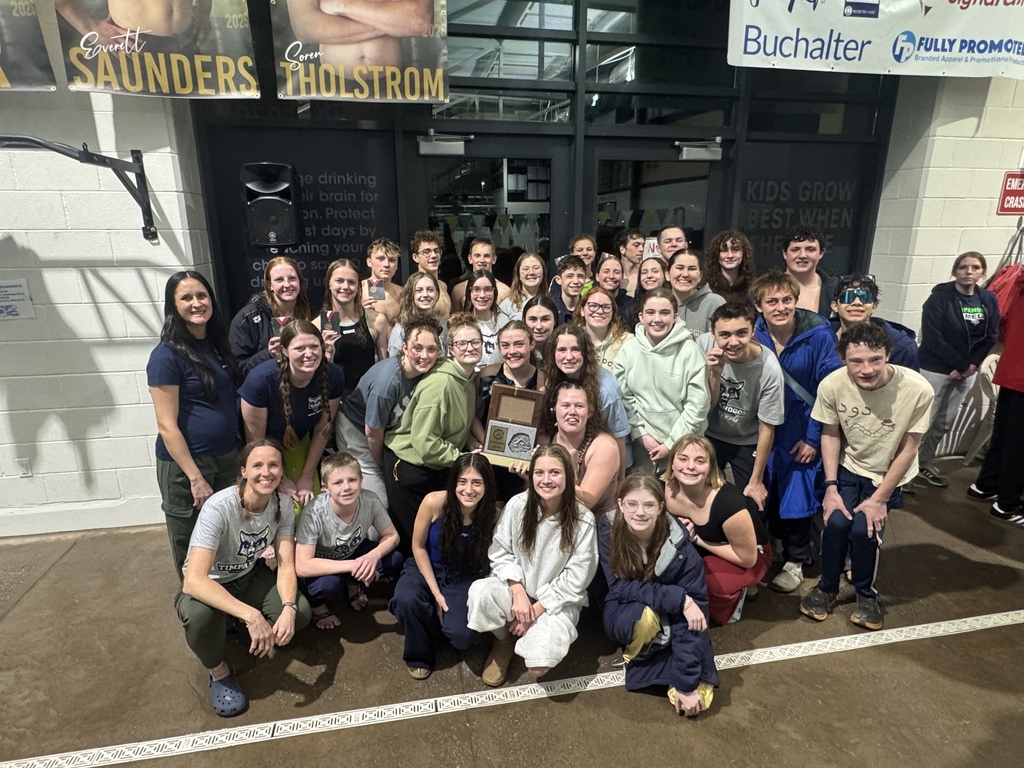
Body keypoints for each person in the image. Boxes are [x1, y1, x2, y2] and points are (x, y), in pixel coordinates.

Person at [801, 322, 933, 630]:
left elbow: (909, 449)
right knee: (835, 523)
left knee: (864, 531)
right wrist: (831, 487)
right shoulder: (832, 385)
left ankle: (865, 593)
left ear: (888, 354)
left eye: (875, 359)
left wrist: (880, 498)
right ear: (843, 359)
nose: (867, 368)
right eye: (856, 361)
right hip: (850, 466)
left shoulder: (917, 389)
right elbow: (830, 435)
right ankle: (827, 587)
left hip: (889, 472)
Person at [175, 440, 312, 718]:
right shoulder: (219, 507)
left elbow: (286, 564)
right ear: (244, 471)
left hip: (248, 574)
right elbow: (193, 581)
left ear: (282, 471)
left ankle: (235, 618)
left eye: (273, 465)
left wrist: (288, 607)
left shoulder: (283, 504)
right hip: (210, 582)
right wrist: (252, 616)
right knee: (200, 619)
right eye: (257, 465)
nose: (266, 472)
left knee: (300, 615)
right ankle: (218, 670)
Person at [466, 445, 598, 686]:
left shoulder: (583, 520)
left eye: (555, 473)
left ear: (568, 476)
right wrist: (517, 591)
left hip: (556, 602)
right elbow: (500, 551)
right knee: (480, 593)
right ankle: (504, 641)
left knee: (539, 665)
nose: (546, 480)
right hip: (517, 592)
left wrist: (533, 612)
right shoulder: (517, 505)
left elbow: (577, 577)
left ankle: (529, 635)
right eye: (539, 473)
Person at [752, 270, 842, 594]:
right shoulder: (754, 334)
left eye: (786, 299)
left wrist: (814, 436)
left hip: (802, 426)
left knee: (798, 496)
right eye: (771, 300)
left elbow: (829, 391)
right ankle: (765, 553)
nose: (780, 306)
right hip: (764, 427)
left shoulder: (819, 334)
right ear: (759, 305)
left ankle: (797, 561)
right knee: (765, 491)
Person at [599, 472, 717, 717]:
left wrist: (686, 684)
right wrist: (680, 599)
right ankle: (637, 647)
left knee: (696, 690)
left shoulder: (685, 552)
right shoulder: (608, 532)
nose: (639, 512)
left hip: (672, 612)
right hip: (627, 606)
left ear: (662, 507)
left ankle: (668, 666)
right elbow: (619, 587)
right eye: (632, 503)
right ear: (620, 504)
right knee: (644, 621)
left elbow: (695, 618)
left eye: (649, 505)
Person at [148, 271, 242, 578]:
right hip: (187, 466)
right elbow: (166, 425)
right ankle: (200, 613)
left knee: (227, 536)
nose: (196, 303)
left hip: (226, 459)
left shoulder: (216, 345)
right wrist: (194, 477)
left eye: (202, 296)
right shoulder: (166, 356)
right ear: (173, 306)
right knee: (192, 543)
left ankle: (229, 604)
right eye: (186, 297)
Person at [389, 454, 500, 679]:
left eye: (476, 482)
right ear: (453, 483)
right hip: (426, 566)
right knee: (406, 600)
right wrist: (437, 593)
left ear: (486, 485)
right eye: (462, 481)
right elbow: (418, 547)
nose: (469, 489)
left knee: (462, 637)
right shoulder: (434, 502)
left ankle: (432, 621)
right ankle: (418, 653)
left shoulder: (493, 515)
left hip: (464, 576)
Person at [383, 316, 482, 555]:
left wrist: (472, 442)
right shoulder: (441, 384)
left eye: (475, 342)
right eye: (462, 343)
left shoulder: (467, 378)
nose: (469, 348)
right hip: (409, 467)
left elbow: (461, 421)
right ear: (450, 349)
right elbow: (425, 443)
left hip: (437, 465)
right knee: (415, 542)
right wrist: (463, 459)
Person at [663, 436, 772, 626]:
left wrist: (697, 539)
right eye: (683, 458)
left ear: (711, 467)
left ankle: (732, 601)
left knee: (709, 583)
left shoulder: (729, 502)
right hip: (697, 545)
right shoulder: (663, 487)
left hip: (747, 553)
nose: (690, 466)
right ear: (672, 462)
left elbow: (748, 558)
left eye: (700, 461)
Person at [336, 318, 443, 506]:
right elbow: (372, 432)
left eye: (431, 349)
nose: (424, 355)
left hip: (386, 430)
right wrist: (382, 465)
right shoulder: (387, 384)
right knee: (381, 500)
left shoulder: (430, 370)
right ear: (404, 348)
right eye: (417, 348)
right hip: (358, 430)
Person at [916, 252, 999, 488]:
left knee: (944, 422)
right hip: (935, 368)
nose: (969, 272)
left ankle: (924, 463)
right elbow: (933, 337)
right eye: (963, 267)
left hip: (967, 371)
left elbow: (991, 335)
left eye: (975, 267)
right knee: (924, 421)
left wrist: (971, 365)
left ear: (982, 272)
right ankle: (905, 470)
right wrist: (959, 365)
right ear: (955, 271)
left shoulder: (988, 300)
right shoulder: (939, 299)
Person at [239, 320, 345, 505]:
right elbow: (256, 442)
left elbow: (322, 430)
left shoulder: (333, 375)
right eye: (300, 348)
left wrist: (306, 476)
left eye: (314, 346)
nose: (308, 354)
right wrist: (281, 480)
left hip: (299, 442)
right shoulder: (260, 380)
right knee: (276, 505)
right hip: (262, 449)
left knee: (306, 501)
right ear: (284, 351)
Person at [295, 453, 403, 629]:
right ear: (325, 488)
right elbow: (302, 566)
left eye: (352, 480)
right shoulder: (314, 512)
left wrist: (372, 557)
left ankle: (353, 583)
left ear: (361, 480)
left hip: (354, 552)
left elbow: (392, 536)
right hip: (324, 560)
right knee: (327, 586)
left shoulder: (370, 500)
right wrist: (353, 566)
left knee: (395, 558)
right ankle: (317, 607)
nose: (346, 487)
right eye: (337, 483)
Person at [613, 288, 710, 474]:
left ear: (675, 316)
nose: (657, 319)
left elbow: (697, 406)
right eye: (650, 312)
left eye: (664, 313)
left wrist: (671, 444)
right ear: (641, 316)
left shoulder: (690, 351)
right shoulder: (628, 350)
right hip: (642, 446)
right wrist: (640, 434)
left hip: (684, 448)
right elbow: (624, 398)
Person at [545, 324, 632, 474]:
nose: (569, 356)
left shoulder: (605, 389)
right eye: (562, 350)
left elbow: (619, 436)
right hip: (570, 458)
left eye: (575, 349)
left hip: (607, 459)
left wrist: (620, 481)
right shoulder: (552, 378)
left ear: (585, 353)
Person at [972, 270, 1024, 522]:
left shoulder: (1018, 286)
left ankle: (986, 484)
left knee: (1004, 435)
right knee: (1017, 444)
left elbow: (1003, 329)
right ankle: (1008, 503)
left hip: (1012, 370)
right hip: (1020, 376)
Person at [476, 321, 545, 501]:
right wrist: (486, 442)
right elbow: (470, 416)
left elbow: (546, 426)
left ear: (532, 344)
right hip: (489, 458)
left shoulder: (544, 381)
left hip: (524, 462)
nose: (512, 351)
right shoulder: (486, 375)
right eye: (505, 345)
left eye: (519, 344)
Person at [286, 0, 436, 70]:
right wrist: (395, 23)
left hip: (396, 84)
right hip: (330, 85)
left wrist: (341, 5)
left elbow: (420, 20)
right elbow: (304, 27)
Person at [547, 380, 620, 518]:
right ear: (554, 409)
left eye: (579, 406)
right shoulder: (545, 440)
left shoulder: (604, 446)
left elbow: (586, 503)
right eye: (565, 405)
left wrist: (548, 473)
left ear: (589, 411)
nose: (572, 412)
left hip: (597, 524)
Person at [229, 256, 313, 375]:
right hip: (266, 389)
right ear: (269, 285)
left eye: (292, 278)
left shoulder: (309, 312)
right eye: (279, 280)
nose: (287, 284)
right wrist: (268, 354)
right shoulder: (246, 318)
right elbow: (238, 369)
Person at [316, 258, 389, 394]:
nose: (345, 287)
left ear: (358, 287)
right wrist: (328, 354)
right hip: (335, 399)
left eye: (351, 282)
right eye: (339, 281)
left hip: (368, 399)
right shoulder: (316, 326)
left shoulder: (377, 320)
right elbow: (316, 376)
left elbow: (384, 367)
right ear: (329, 284)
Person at [829, 274, 919, 371]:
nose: (857, 303)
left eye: (865, 297)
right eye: (848, 297)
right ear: (835, 306)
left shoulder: (901, 348)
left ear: (874, 306)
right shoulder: (818, 340)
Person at [387, 271, 448, 358]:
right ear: (411, 294)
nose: (425, 295)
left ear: (437, 294)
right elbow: (395, 364)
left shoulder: (442, 323)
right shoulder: (400, 329)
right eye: (419, 290)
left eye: (430, 290)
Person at [667, 249, 726, 337]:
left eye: (692, 269)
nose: (685, 274)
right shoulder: (658, 302)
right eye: (679, 268)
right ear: (667, 274)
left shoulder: (715, 303)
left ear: (700, 276)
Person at [461, 269, 513, 370]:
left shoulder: (504, 321)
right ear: (469, 292)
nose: (482, 295)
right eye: (476, 289)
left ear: (494, 292)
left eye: (488, 289)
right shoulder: (462, 324)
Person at [781, 227, 837, 318]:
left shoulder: (837, 290)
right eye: (795, 249)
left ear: (821, 253)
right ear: (785, 254)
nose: (802, 255)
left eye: (810, 249)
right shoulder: (763, 290)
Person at [575, 285, 632, 373]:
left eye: (606, 307)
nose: (600, 311)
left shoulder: (627, 342)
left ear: (612, 312)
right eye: (593, 305)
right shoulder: (572, 340)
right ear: (582, 311)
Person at [450, 238, 512, 308]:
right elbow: (456, 317)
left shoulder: (505, 291)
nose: (482, 260)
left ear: (494, 259)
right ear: (470, 259)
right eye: (477, 256)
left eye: (486, 256)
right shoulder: (458, 290)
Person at [704, 230, 756, 305]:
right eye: (724, 250)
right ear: (716, 254)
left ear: (744, 253)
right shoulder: (706, 287)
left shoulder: (753, 288)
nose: (730, 255)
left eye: (735, 250)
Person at [410, 229, 453, 318]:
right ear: (415, 257)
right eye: (426, 252)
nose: (433, 256)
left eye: (436, 251)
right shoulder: (413, 288)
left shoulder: (443, 285)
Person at [363, 238, 403, 328]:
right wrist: (358, 315)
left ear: (397, 265)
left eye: (392, 260)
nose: (386, 264)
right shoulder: (357, 291)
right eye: (380, 259)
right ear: (369, 262)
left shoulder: (403, 293)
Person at [622, 255, 669, 330]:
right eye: (644, 272)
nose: (649, 275)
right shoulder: (630, 310)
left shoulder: (675, 303)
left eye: (655, 271)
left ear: (666, 275)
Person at [499, 252, 547, 321]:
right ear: (518, 275)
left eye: (536, 268)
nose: (531, 272)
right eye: (525, 269)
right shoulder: (507, 306)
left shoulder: (552, 302)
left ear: (543, 272)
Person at [550, 255, 589, 325]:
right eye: (569, 276)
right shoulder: (549, 306)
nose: (576, 281)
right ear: (558, 280)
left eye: (580, 276)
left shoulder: (589, 307)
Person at [523, 294, 558, 365]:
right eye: (533, 319)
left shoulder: (565, 350)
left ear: (555, 321)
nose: (538, 326)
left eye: (545, 319)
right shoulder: (512, 348)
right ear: (524, 321)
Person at [616, 228, 646, 296]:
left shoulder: (645, 276)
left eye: (643, 245)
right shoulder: (612, 276)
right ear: (622, 249)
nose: (641, 249)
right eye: (636, 245)